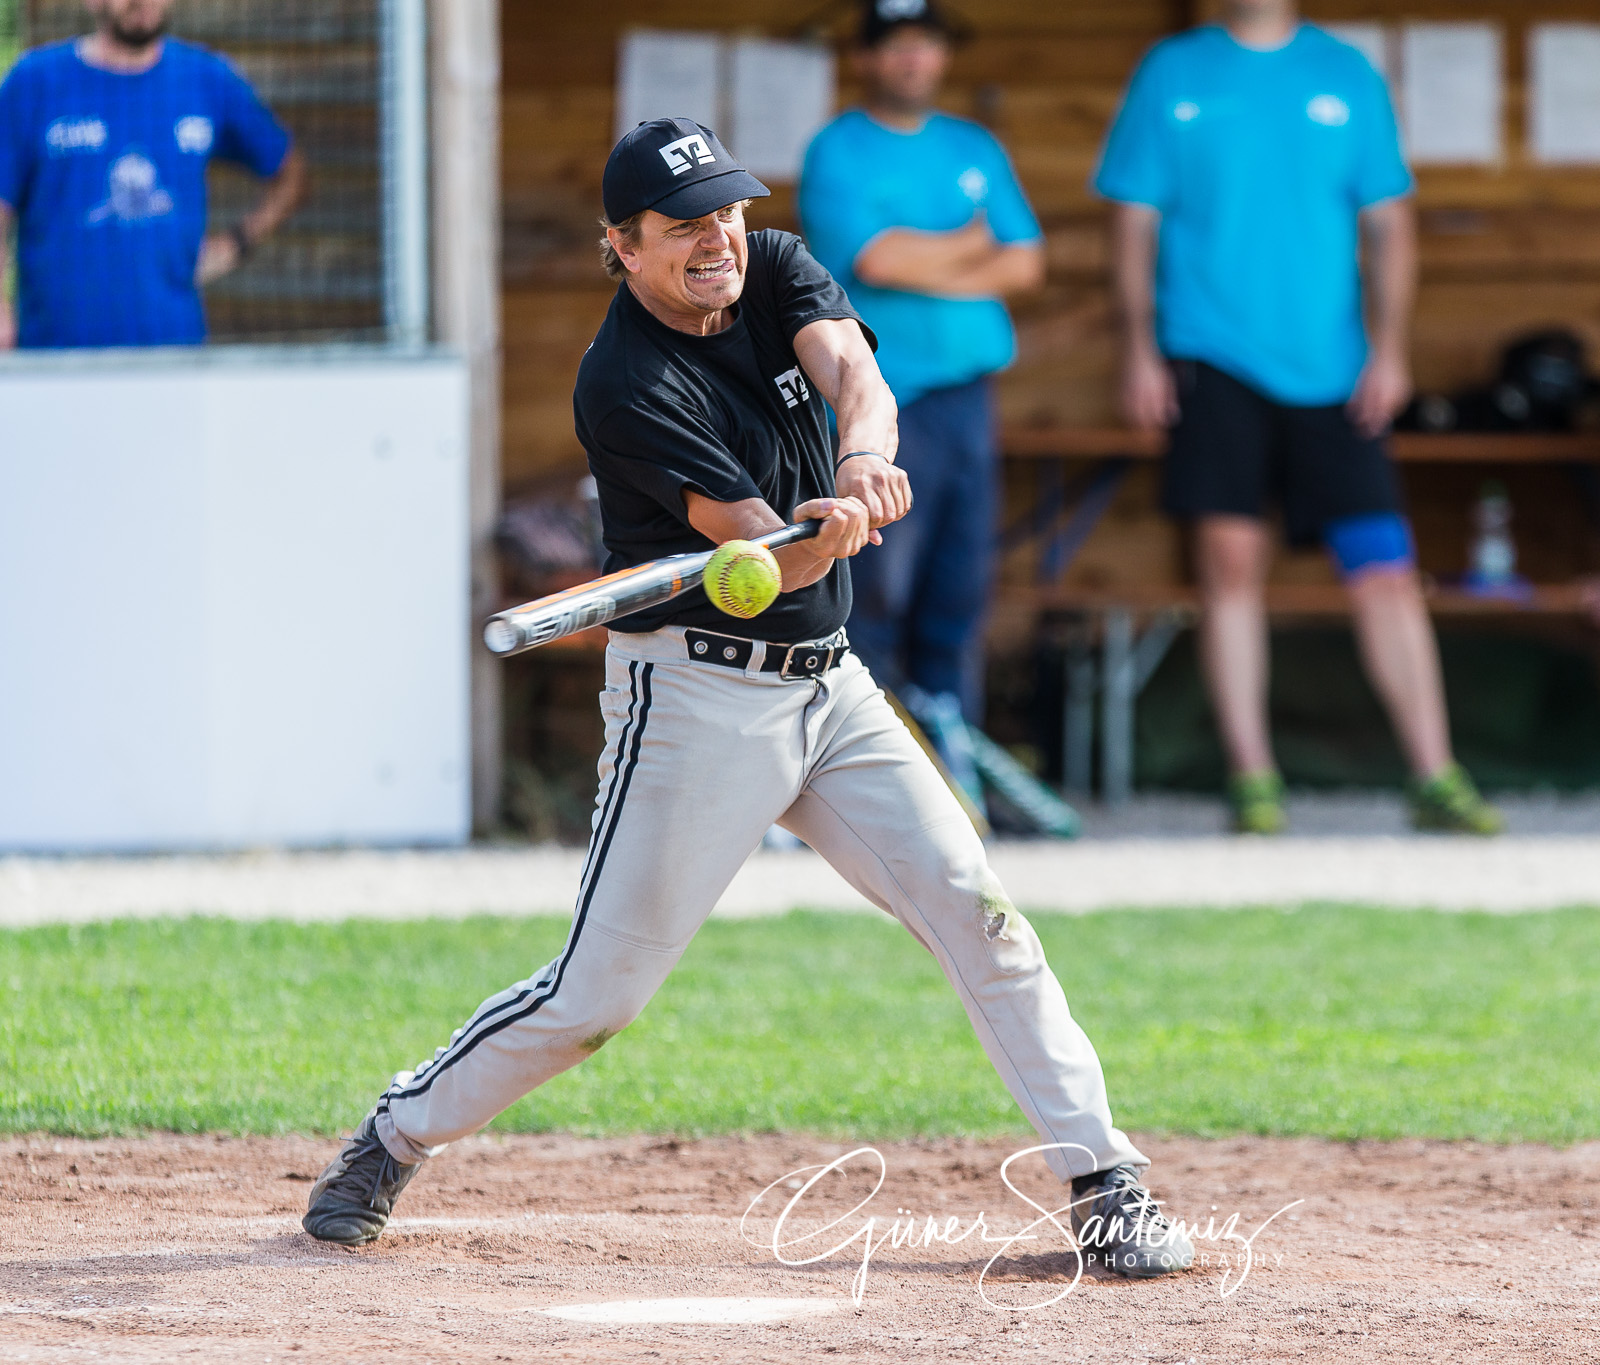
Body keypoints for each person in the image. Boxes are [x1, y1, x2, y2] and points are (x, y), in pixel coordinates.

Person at [300, 118, 1193, 1280]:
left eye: (723, 209)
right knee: (593, 999)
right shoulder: (625, 382)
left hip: (831, 687)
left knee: (978, 914)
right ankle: (393, 1136)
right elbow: (770, 554)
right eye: (682, 226)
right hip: (695, 700)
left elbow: (855, 377)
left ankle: (1102, 1181)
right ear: (622, 245)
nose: (716, 237)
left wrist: (861, 462)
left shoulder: (769, 265)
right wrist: (824, 533)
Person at [1095, 0, 1500, 836]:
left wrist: (1391, 351)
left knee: (1385, 567)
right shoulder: (1173, 71)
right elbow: (1132, 222)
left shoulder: (1347, 74)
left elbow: (1389, 223)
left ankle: (1436, 774)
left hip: (1336, 372)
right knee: (1230, 567)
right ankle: (1254, 779)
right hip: (1211, 356)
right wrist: (1137, 350)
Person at [799, 0, 1043, 729]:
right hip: (881, 406)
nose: (913, 59)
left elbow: (1025, 261)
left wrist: (926, 259)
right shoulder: (836, 149)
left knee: (959, 586)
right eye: (896, 44)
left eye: (926, 44)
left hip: (968, 397)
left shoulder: (973, 145)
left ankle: (949, 752)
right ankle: (865, 747)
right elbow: (876, 259)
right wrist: (971, 243)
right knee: (874, 587)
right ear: (865, 58)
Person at [0, 0, 304, 350]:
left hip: (173, 351)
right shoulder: (35, 82)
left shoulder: (205, 78)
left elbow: (289, 170)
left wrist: (237, 242)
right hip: (56, 352)